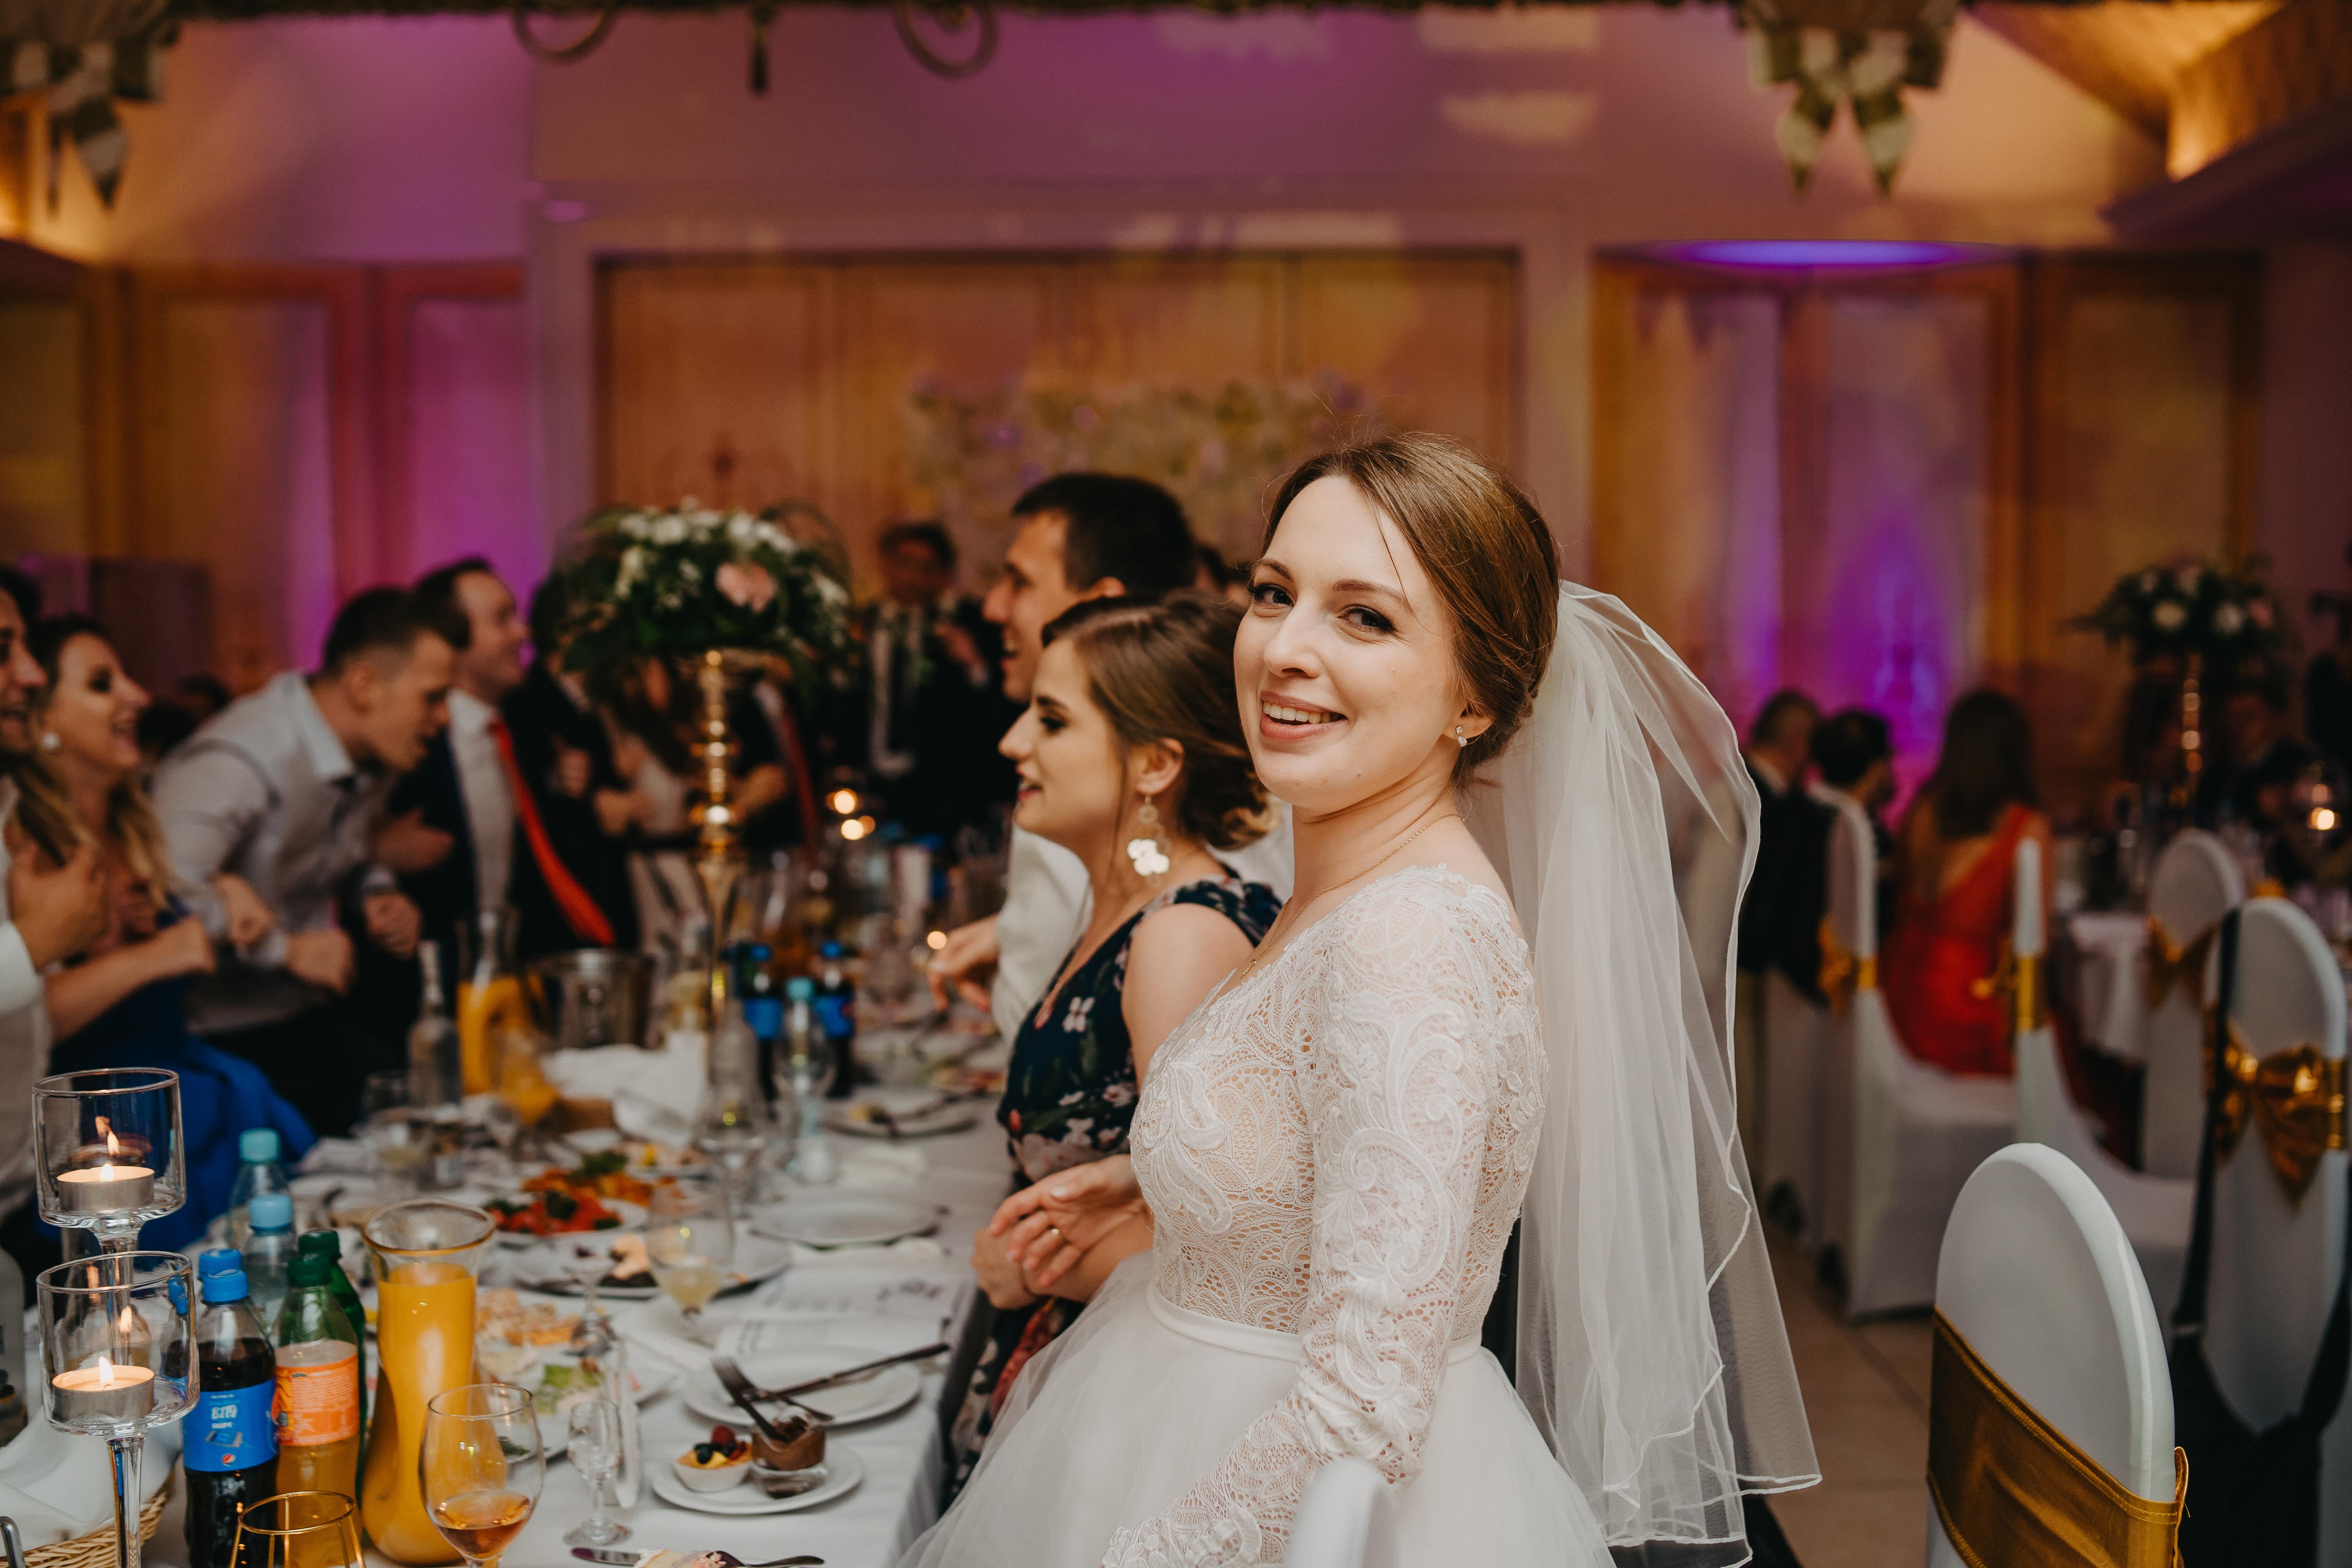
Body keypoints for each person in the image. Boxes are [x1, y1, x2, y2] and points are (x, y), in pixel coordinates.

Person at [906, 434, 1815, 1567]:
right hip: (1176, 1416)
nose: (1286, 649)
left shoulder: (1408, 937)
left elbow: (1362, 1411)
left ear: (1475, 697)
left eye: (1365, 617)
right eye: (1272, 594)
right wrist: (1162, 1179)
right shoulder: (1341, 897)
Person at [947, 593, 1282, 1494]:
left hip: (1133, 1404)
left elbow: (1219, 1242)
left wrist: (1030, 1268)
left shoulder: (1180, 935)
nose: (1014, 742)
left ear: (1156, 764)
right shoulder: (1135, 909)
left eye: (1052, 720)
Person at [929, 473, 1290, 1040]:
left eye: (1019, 582)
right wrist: (1010, 932)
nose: (993, 606)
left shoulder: (1183, 903)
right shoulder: (1097, 794)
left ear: (1101, 602)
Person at [14, 615, 310, 1252]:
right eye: (102, 684)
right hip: (108, 1137)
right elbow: (24, 1009)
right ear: (43, 718)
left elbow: (189, 926)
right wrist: (156, 955)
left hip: (192, 1097)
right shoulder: (26, 844)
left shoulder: (136, 825)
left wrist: (220, 892)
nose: (138, 695)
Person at [152, 588, 454, 1136]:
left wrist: (377, 891)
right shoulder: (240, 759)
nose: (444, 718)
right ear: (364, 686)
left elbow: (351, 844)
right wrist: (285, 950)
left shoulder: (371, 752)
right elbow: (164, 889)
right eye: (432, 698)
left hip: (302, 1015)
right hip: (212, 1036)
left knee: (417, 1121)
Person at [0, 566, 109, 1293]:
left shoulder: (12, 805)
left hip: (24, 1208)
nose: (30, 674)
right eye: (2, 651)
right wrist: (31, 947)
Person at [1882, 690, 2053, 1077]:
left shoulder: (1921, 811)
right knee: (2085, 1065)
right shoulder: (2025, 826)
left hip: (1896, 997)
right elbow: (2034, 946)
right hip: (1959, 1012)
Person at [381, 559, 530, 968]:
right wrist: (374, 851)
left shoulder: (519, 727)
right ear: (453, 638)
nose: (522, 631)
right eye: (502, 619)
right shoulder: (410, 744)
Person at [501, 576, 646, 960]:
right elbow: (536, 808)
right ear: (568, 635)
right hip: (563, 921)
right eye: (605, 626)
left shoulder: (588, 704)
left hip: (599, 905)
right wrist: (597, 810)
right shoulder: (527, 704)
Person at [861, 520, 1019, 841]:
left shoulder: (966, 624)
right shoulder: (861, 625)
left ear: (943, 575)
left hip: (938, 791)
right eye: (904, 563)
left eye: (926, 568)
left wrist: (974, 665)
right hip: (867, 784)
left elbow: (995, 712)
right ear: (885, 564)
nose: (912, 577)